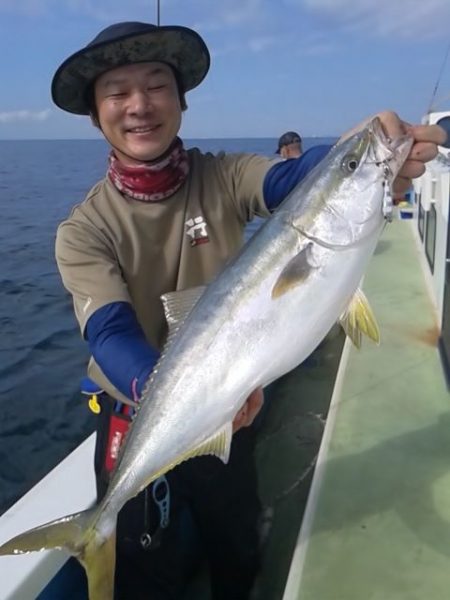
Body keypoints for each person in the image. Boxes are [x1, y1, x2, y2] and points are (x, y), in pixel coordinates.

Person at [51, 20, 445, 600]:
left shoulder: (226, 175)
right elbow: (109, 333)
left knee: (235, 538)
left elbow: (293, 179)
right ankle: (100, 533)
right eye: (117, 92)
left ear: (181, 101)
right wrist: (181, 394)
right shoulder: (83, 230)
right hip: (138, 411)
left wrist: (356, 150)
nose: (139, 105)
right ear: (95, 114)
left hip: (234, 399)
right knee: (145, 569)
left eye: (157, 85)